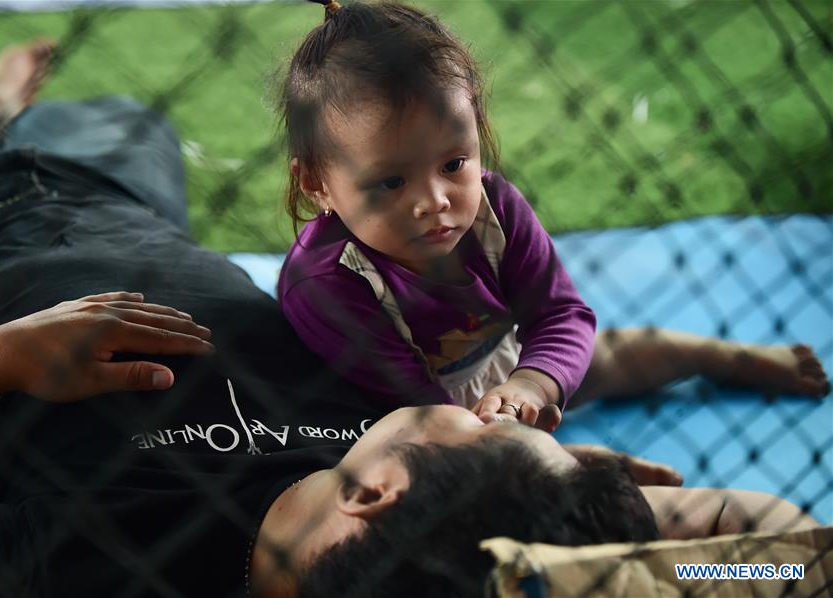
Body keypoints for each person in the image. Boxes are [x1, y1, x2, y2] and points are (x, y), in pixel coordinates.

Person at [0, 39, 820, 598]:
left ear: (376, 492)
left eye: (494, 437)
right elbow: (794, 555)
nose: (491, 419)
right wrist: (599, 559)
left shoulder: (92, 559)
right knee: (127, 126)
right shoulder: (451, 545)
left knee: (104, 117)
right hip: (128, 211)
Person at [277, 0, 829, 432]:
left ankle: (722, 355)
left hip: (507, 374)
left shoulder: (495, 208)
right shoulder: (325, 282)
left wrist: (532, 387)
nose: (435, 201)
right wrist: (505, 434)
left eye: (453, 163)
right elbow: (415, 414)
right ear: (317, 184)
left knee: (618, 354)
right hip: (405, 424)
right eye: (391, 181)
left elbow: (562, 317)